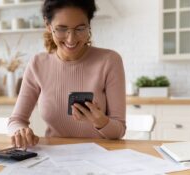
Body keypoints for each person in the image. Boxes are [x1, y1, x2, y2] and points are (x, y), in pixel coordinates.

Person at [8, 0, 126, 149]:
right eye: (62, 29)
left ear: (89, 24)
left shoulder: (109, 60)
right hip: (54, 157)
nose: (71, 39)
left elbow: (119, 130)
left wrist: (101, 121)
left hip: (100, 156)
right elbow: (16, 120)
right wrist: (19, 131)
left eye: (80, 28)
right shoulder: (38, 63)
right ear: (48, 25)